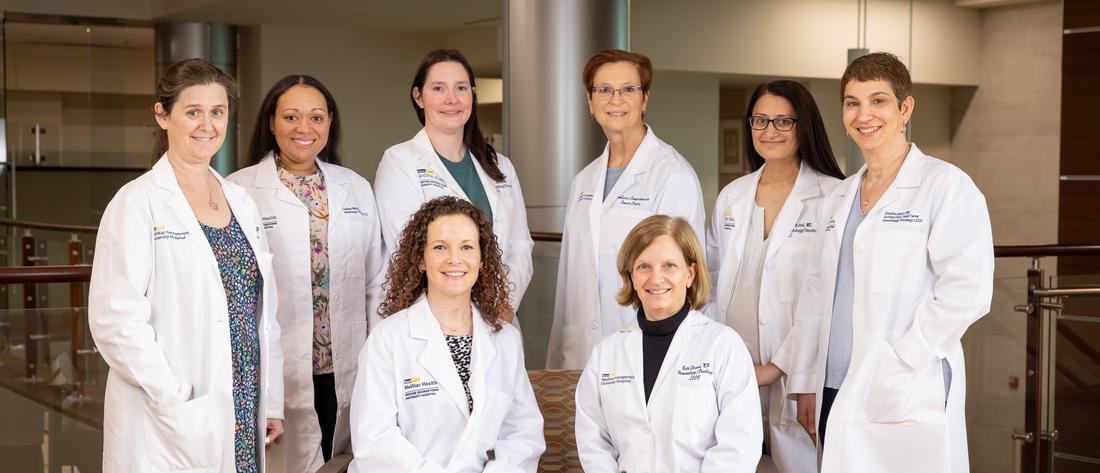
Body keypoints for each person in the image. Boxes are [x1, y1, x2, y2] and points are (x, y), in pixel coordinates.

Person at [788, 52, 994, 473]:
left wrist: (904, 358)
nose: (864, 114)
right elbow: (816, 295)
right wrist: (806, 380)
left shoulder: (946, 186)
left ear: (905, 108)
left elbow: (968, 290)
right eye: (852, 102)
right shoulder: (840, 196)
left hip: (904, 382)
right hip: (834, 384)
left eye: (878, 100)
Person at [88, 58, 284, 472]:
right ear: (163, 115)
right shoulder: (137, 202)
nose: (206, 125)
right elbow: (115, 321)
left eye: (217, 112)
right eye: (193, 112)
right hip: (174, 412)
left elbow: (262, 314)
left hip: (244, 403)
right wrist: (173, 396)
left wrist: (272, 398)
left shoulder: (241, 202)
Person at [228, 74, 385, 472]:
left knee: (345, 462)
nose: (304, 128)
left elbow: (376, 282)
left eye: (316, 117)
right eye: (291, 117)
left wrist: (382, 358)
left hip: (345, 365)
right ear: (271, 122)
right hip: (276, 368)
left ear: (330, 122)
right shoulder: (239, 190)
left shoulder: (356, 188)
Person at [705, 80, 844, 472]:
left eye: (783, 121)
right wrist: (722, 354)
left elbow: (828, 298)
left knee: (797, 461)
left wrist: (779, 367)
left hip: (799, 370)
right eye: (760, 120)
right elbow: (711, 283)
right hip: (734, 365)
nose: (770, 131)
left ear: (805, 126)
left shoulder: (833, 197)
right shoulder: (733, 195)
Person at [348, 196, 545, 472]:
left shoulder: (506, 340)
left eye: (466, 247)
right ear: (420, 259)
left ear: (482, 259)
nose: (455, 259)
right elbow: (375, 440)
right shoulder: (387, 340)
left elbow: (522, 434)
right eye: (440, 247)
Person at [547, 49, 706, 370]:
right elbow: (568, 281)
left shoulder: (672, 175)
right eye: (604, 90)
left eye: (628, 89)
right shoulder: (584, 181)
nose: (615, 99)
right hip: (579, 354)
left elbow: (684, 281)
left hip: (646, 352)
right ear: (590, 102)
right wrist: (556, 362)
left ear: (645, 99)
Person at [575, 215, 762, 472]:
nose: (656, 277)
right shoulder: (606, 354)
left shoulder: (724, 346)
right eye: (644, 267)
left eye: (669, 266)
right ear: (631, 275)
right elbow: (593, 441)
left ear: (690, 274)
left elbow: (739, 445)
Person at [375, 49, 532, 320]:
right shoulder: (400, 161)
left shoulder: (500, 166)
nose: (452, 99)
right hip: (432, 317)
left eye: (461, 88)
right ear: (418, 97)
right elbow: (408, 249)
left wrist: (503, 306)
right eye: (438, 88)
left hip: (497, 317)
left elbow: (520, 246)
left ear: (473, 93)